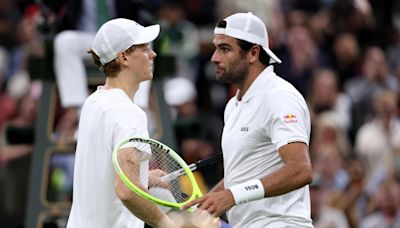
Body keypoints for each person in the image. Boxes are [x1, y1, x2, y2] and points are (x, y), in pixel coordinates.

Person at [182, 12, 313, 227]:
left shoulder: (279, 97)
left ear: (253, 53)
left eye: (225, 49)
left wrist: (232, 196)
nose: (214, 57)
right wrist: (204, 205)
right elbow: (241, 176)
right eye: (216, 48)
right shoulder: (233, 106)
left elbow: (301, 169)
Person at [66, 18, 176, 228]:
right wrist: (167, 224)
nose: (153, 54)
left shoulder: (93, 102)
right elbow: (126, 191)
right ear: (123, 57)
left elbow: (103, 172)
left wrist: (143, 177)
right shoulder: (129, 114)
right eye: (144, 49)